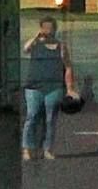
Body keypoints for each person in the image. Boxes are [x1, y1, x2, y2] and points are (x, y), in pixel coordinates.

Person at [19, 17, 80, 162]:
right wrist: (37, 36)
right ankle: (27, 149)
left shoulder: (61, 46)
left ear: (55, 29)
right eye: (45, 27)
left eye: (50, 27)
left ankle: (48, 149)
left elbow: (68, 67)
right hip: (34, 86)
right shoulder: (35, 44)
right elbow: (25, 49)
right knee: (32, 115)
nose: (48, 30)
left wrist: (70, 88)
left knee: (50, 119)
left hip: (53, 87)